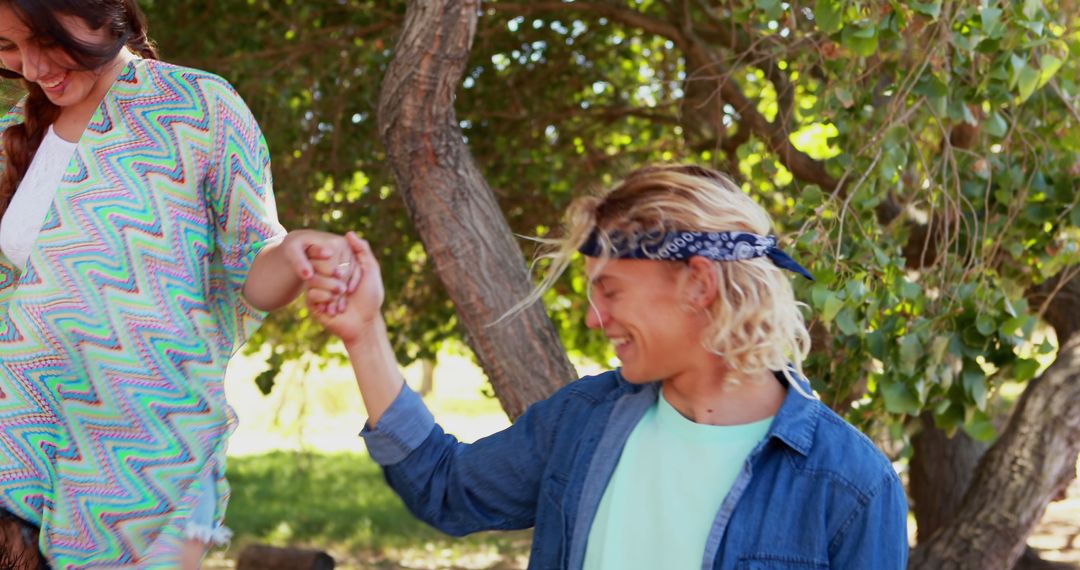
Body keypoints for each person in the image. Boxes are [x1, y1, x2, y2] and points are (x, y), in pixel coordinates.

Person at [312, 165, 909, 568]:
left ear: (699, 284)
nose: (597, 320)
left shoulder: (851, 485)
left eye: (613, 291)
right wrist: (365, 334)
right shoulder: (584, 422)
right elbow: (446, 488)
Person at [0, 1, 357, 567]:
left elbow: (252, 266)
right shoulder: (11, 134)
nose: (32, 66)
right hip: (18, 462)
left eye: (45, 39)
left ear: (104, 12)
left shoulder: (197, 108)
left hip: (153, 461)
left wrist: (294, 254)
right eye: (9, 47)